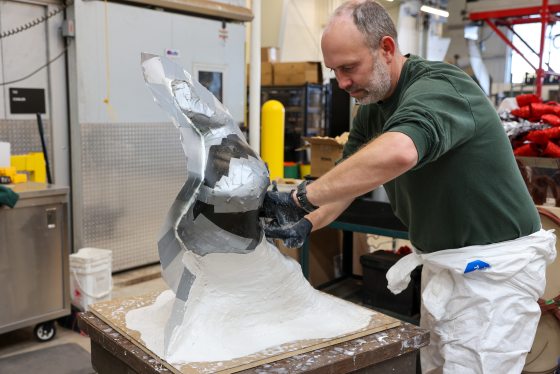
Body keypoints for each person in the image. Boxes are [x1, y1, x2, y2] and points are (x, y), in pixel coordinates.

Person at [261, 1, 557, 373]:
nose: (343, 83)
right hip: (445, 263)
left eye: (349, 67)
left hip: (493, 271)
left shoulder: (440, 87)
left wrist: (298, 198)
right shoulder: (372, 106)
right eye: (334, 71)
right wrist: (303, 222)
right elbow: (342, 185)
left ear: (386, 48)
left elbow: (401, 151)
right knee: (435, 366)